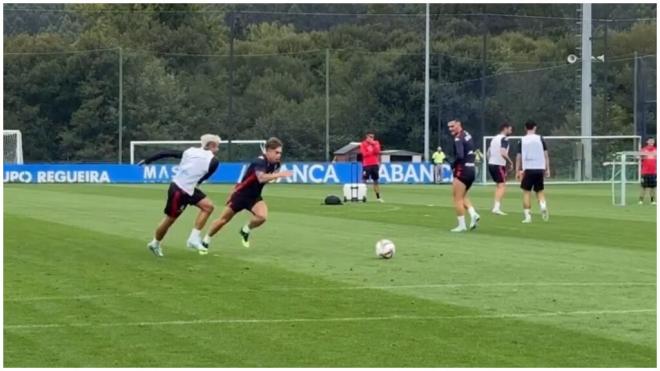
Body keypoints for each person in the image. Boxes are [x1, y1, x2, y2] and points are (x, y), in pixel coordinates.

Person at [202, 137, 293, 249]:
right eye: (277, 152)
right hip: (240, 195)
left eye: (280, 153)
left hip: (254, 196)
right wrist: (279, 175)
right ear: (268, 150)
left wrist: (274, 176)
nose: (279, 155)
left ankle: (245, 230)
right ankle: (206, 239)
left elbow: (267, 178)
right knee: (223, 220)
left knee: (262, 217)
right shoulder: (259, 161)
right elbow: (261, 178)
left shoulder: (276, 164)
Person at [139, 134, 221, 257]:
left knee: (208, 207)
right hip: (180, 191)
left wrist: (148, 160)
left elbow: (167, 152)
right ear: (211, 145)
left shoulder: (190, 151)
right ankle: (155, 243)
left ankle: (193, 238)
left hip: (188, 188)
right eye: (217, 146)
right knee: (170, 219)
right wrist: (197, 181)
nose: (218, 149)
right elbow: (204, 177)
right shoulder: (214, 161)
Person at [447, 120, 480, 232]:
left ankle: (462, 225)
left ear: (459, 124)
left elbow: (460, 155)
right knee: (463, 196)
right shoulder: (467, 134)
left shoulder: (458, 138)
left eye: (452, 126)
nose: (450, 129)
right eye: (449, 127)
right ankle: (473, 214)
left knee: (457, 198)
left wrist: (453, 164)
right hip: (471, 169)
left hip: (462, 170)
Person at [515, 120, 550, 223]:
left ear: (525, 128)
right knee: (539, 191)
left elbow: (518, 156)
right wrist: (547, 168)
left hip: (528, 169)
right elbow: (546, 155)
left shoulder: (522, 140)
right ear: (535, 127)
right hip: (539, 168)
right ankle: (543, 206)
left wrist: (517, 170)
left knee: (526, 192)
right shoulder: (540, 138)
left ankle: (527, 217)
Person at [487, 122, 514, 215]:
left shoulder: (494, 138)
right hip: (498, 165)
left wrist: (490, 160)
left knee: (499, 186)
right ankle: (496, 208)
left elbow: (488, 152)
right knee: (502, 186)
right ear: (505, 128)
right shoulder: (504, 139)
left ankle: (496, 207)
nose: (511, 131)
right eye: (510, 129)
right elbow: (503, 152)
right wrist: (510, 162)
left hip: (491, 164)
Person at [359, 131, 384, 202]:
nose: (372, 138)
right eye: (370, 137)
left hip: (375, 164)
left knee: (376, 181)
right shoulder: (363, 144)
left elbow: (377, 151)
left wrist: (373, 146)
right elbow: (364, 154)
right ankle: (363, 196)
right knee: (364, 180)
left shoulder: (376, 143)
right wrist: (371, 150)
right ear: (367, 137)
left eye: (373, 137)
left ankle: (378, 197)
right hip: (367, 164)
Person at [639, 137, 657, 205]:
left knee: (653, 187)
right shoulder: (643, 150)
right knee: (643, 187)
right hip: (645, 172)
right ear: (647, 141)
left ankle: (652, 201)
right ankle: (641, 200)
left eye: (653, 140)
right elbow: (638, 157)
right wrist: (641, 157)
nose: (652, 141)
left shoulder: (656, 150)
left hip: (654, 172)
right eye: (650, 140)